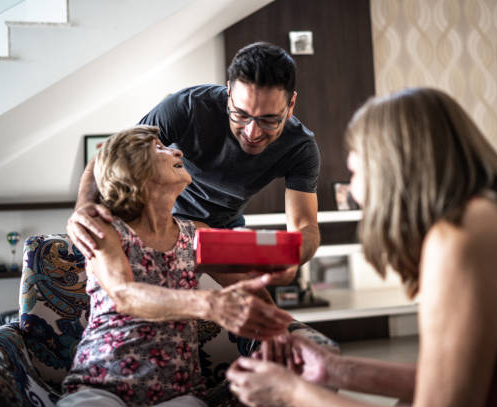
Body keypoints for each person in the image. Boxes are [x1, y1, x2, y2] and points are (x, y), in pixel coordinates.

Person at [226, 87, 497, 407]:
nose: (356, 192)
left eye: (355, 173)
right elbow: (452, 380)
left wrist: (293, 393)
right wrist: (335, 368)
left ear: (392, 169)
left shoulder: (462, 242)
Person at [58, 125, 293, 407]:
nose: (177, 151)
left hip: (178, 393)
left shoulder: (196, 233)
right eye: (160, 148)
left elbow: (249, 289)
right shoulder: (105, 229)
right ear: (132, 169)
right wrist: (208, 303)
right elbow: (124, 294)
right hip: (100, 381)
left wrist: (277, 331)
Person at [66, 42, 321, 286]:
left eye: (269, 120)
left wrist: (293, 256)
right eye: (240, 114)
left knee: (254, 305)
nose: (252, 132)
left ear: (290, 106)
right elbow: (114, 153)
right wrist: (84, 207)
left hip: (219, 231)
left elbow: (305, 226)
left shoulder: (300, 147)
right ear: (229, 92)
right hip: (155, 219)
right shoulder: (188, 106)